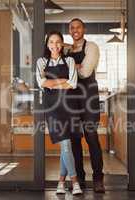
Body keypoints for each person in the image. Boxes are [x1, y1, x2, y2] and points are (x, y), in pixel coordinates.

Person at [36, 31, 82, 195]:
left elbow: (74, 83)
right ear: (47, 44)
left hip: (69, 106)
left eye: (57, 42)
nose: (54, 45)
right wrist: (62, 81)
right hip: (53, 108)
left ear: (62, 44)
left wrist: (52, 83)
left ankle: (61, 183)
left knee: (66, 145)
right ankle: (75, 182)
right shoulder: (41, 62)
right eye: (51, 42)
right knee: (66, 145)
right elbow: (42, 83)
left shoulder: (69, 60)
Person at [66, 18, 105, 193]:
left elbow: (85, 72)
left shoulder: (92, 47)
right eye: (72, 28)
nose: (75, 30)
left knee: (91, 138)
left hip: (88, 99)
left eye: (78, 27)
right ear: (69, 31)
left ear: (84, 29)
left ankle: (98, 179)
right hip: (71, 100)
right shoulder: (66, 49)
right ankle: (79, 179)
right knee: (74, 140)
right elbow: (58, 69)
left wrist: (70, 66)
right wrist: (75, 65)